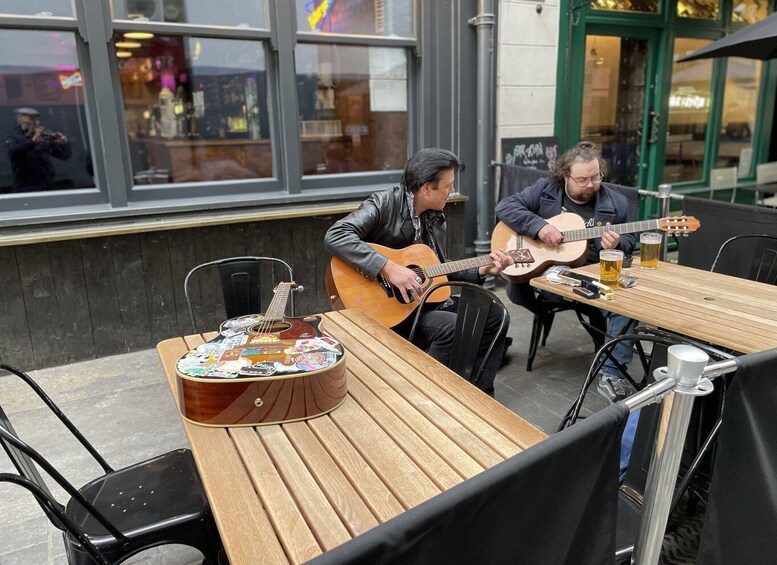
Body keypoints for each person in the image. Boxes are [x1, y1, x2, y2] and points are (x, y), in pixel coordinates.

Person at [324, 148, 514, 395]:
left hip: (421, 301)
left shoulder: (434, 218)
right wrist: (389, 268)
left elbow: (436, 270)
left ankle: (477, 391)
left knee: (496, 314)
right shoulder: (384, 203)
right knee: (453, 328)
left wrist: (481, 269)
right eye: (448, 185)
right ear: (426, 188)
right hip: (389, 309)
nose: (452, 191)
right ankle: (427, 395)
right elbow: (335, 235)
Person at [495, 141, 637, 401]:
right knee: (560, 276)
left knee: (627, 303)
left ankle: (612, 373)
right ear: (565, 176)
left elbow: (630, 241)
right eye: (582, 179)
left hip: (592, 275)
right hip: (549, 280)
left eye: (595, 177)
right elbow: (505, 207)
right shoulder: (547, 189)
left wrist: (617, 243)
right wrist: (539, 226)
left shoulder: (615, 202)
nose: (590, 185)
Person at [5, 107, 71, 192]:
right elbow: (13, 153)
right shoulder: (13, 137)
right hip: (25, 186)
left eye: (37, 120)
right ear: (20, 121)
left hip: (47, 185)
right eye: (31, 120)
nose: (35, 123)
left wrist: (63, 144)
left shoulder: (43, 136)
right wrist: (33, 141)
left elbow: (64, 156)